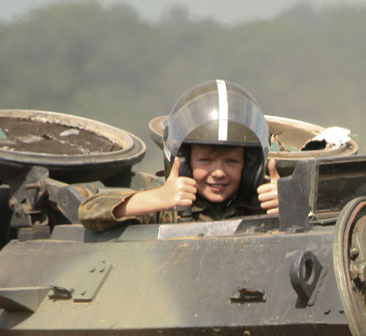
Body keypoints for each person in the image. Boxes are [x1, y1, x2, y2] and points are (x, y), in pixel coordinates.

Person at [78, 79, 281, 232]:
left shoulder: (263, 203)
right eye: (206, 160)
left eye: (232, 161)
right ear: (185, 162)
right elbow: (89, 211)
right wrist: (158, 198)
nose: (219, 172)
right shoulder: (165, 207)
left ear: (248, 167)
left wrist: (289, 205)